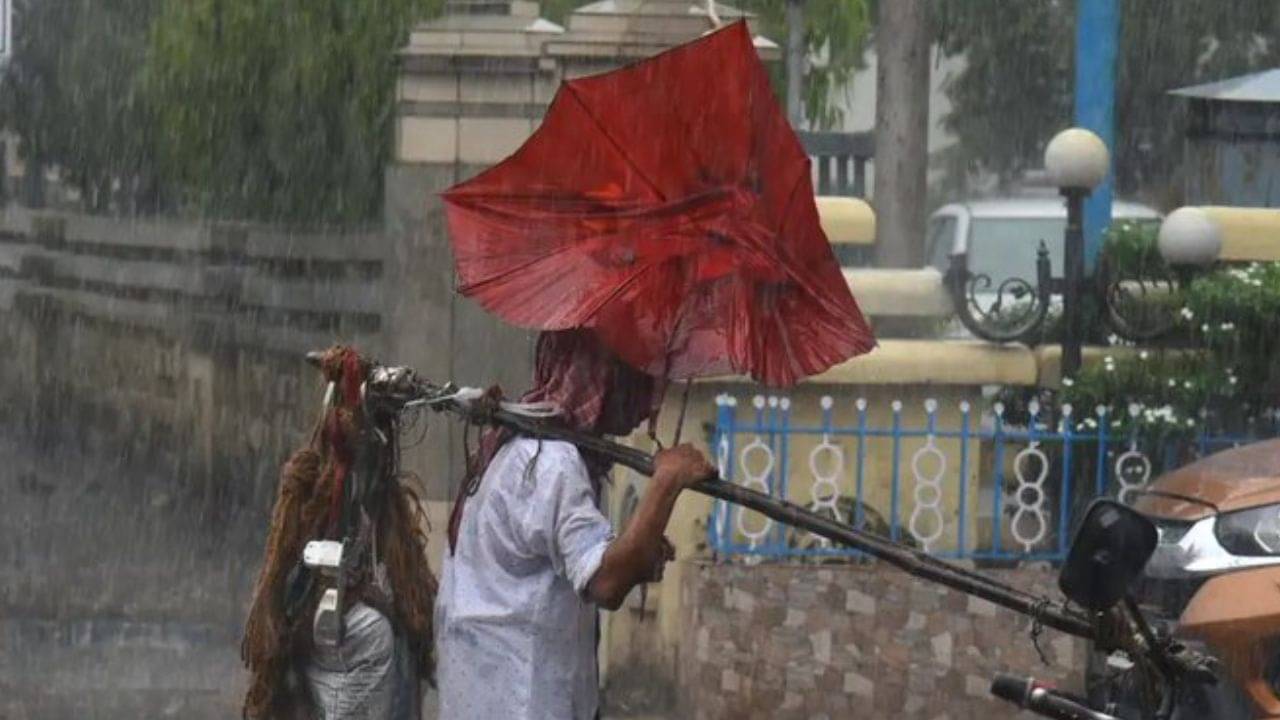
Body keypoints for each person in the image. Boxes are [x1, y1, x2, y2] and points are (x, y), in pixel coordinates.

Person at [435, 329, 715, 720]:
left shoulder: (519, 446)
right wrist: (666, 484)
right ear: (602, 378)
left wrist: (639, 550)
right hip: (521, 698)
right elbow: (605, 583)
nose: (643, 400)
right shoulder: (552, 461)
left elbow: (580, 561)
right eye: (633, 378)